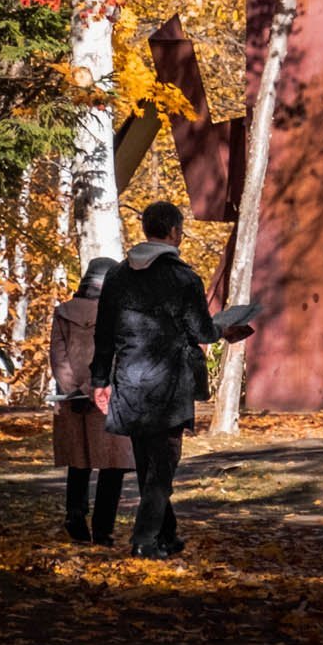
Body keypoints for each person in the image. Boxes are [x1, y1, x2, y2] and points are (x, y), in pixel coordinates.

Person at [91, 200, 245, 559]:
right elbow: (201, 331)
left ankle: (167, 534)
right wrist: (223, 328)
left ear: (146, 229)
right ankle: (144, 542)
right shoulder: (183, 277)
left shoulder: (117, 275)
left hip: (129, 380)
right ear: (175, 232)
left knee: (148, 462)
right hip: (169, 384)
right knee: (162, 466)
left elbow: (103, 333)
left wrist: (100, 378)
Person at [49, 256, 133, 546]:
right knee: (113, 464)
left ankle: (75, 516)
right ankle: (103, 529)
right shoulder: (118, 312)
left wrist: (74, 388)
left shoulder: (63, 312)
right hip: (107, 396)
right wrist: (94, 387)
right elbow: (119, 355)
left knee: (79, 460)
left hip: (72, 398)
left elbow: (57, 357)